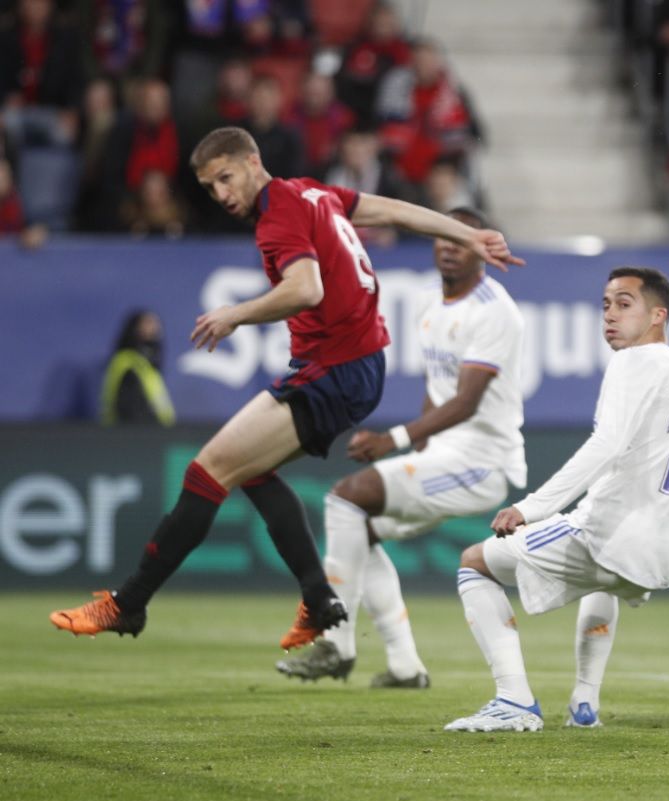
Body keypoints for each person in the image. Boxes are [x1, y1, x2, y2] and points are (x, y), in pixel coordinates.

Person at [50, 126, 522, 651]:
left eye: (226, 178)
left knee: (206, 471)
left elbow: (305, 288)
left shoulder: (280, 214)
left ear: (253, 161)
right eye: (210, 188)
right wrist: (466, 234)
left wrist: (236, 314)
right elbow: (390, 210)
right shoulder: (312, 192)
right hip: (354, 366)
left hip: (335, 368)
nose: (222, 194)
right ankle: (319, 600)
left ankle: (129, 604)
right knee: (251, 471)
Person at [444, 267, 669, 732]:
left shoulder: (635, 362)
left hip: (614, 531)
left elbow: (605, 445)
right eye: (606, 304)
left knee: (474, 563)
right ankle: (585, 702)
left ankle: (514, 700)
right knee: (603, 580)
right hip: (666, 545)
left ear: (657, 315)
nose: (610, 314)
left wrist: (532, 507)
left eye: (625, 304)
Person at [276, 206, 526, 688]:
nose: (450, 247)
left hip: (481, 462)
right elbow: (438, 389)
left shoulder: (496, 312)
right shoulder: (433, 306)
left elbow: (467, 402)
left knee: (347, 496)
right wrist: (418, 450)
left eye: (463, 240)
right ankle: (405, 666)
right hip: (445, 456)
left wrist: (393, 441)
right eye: (445, 238)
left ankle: (337, 643)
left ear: (480, 249)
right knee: (358, 524)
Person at [99, 309, 175, 426]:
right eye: (148, 323)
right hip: (132, 437)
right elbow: (128, 409)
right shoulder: (127, 363)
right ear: (135, 328)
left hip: (156, 436)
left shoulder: (148, 365)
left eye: (156, 323)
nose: (155, 328)